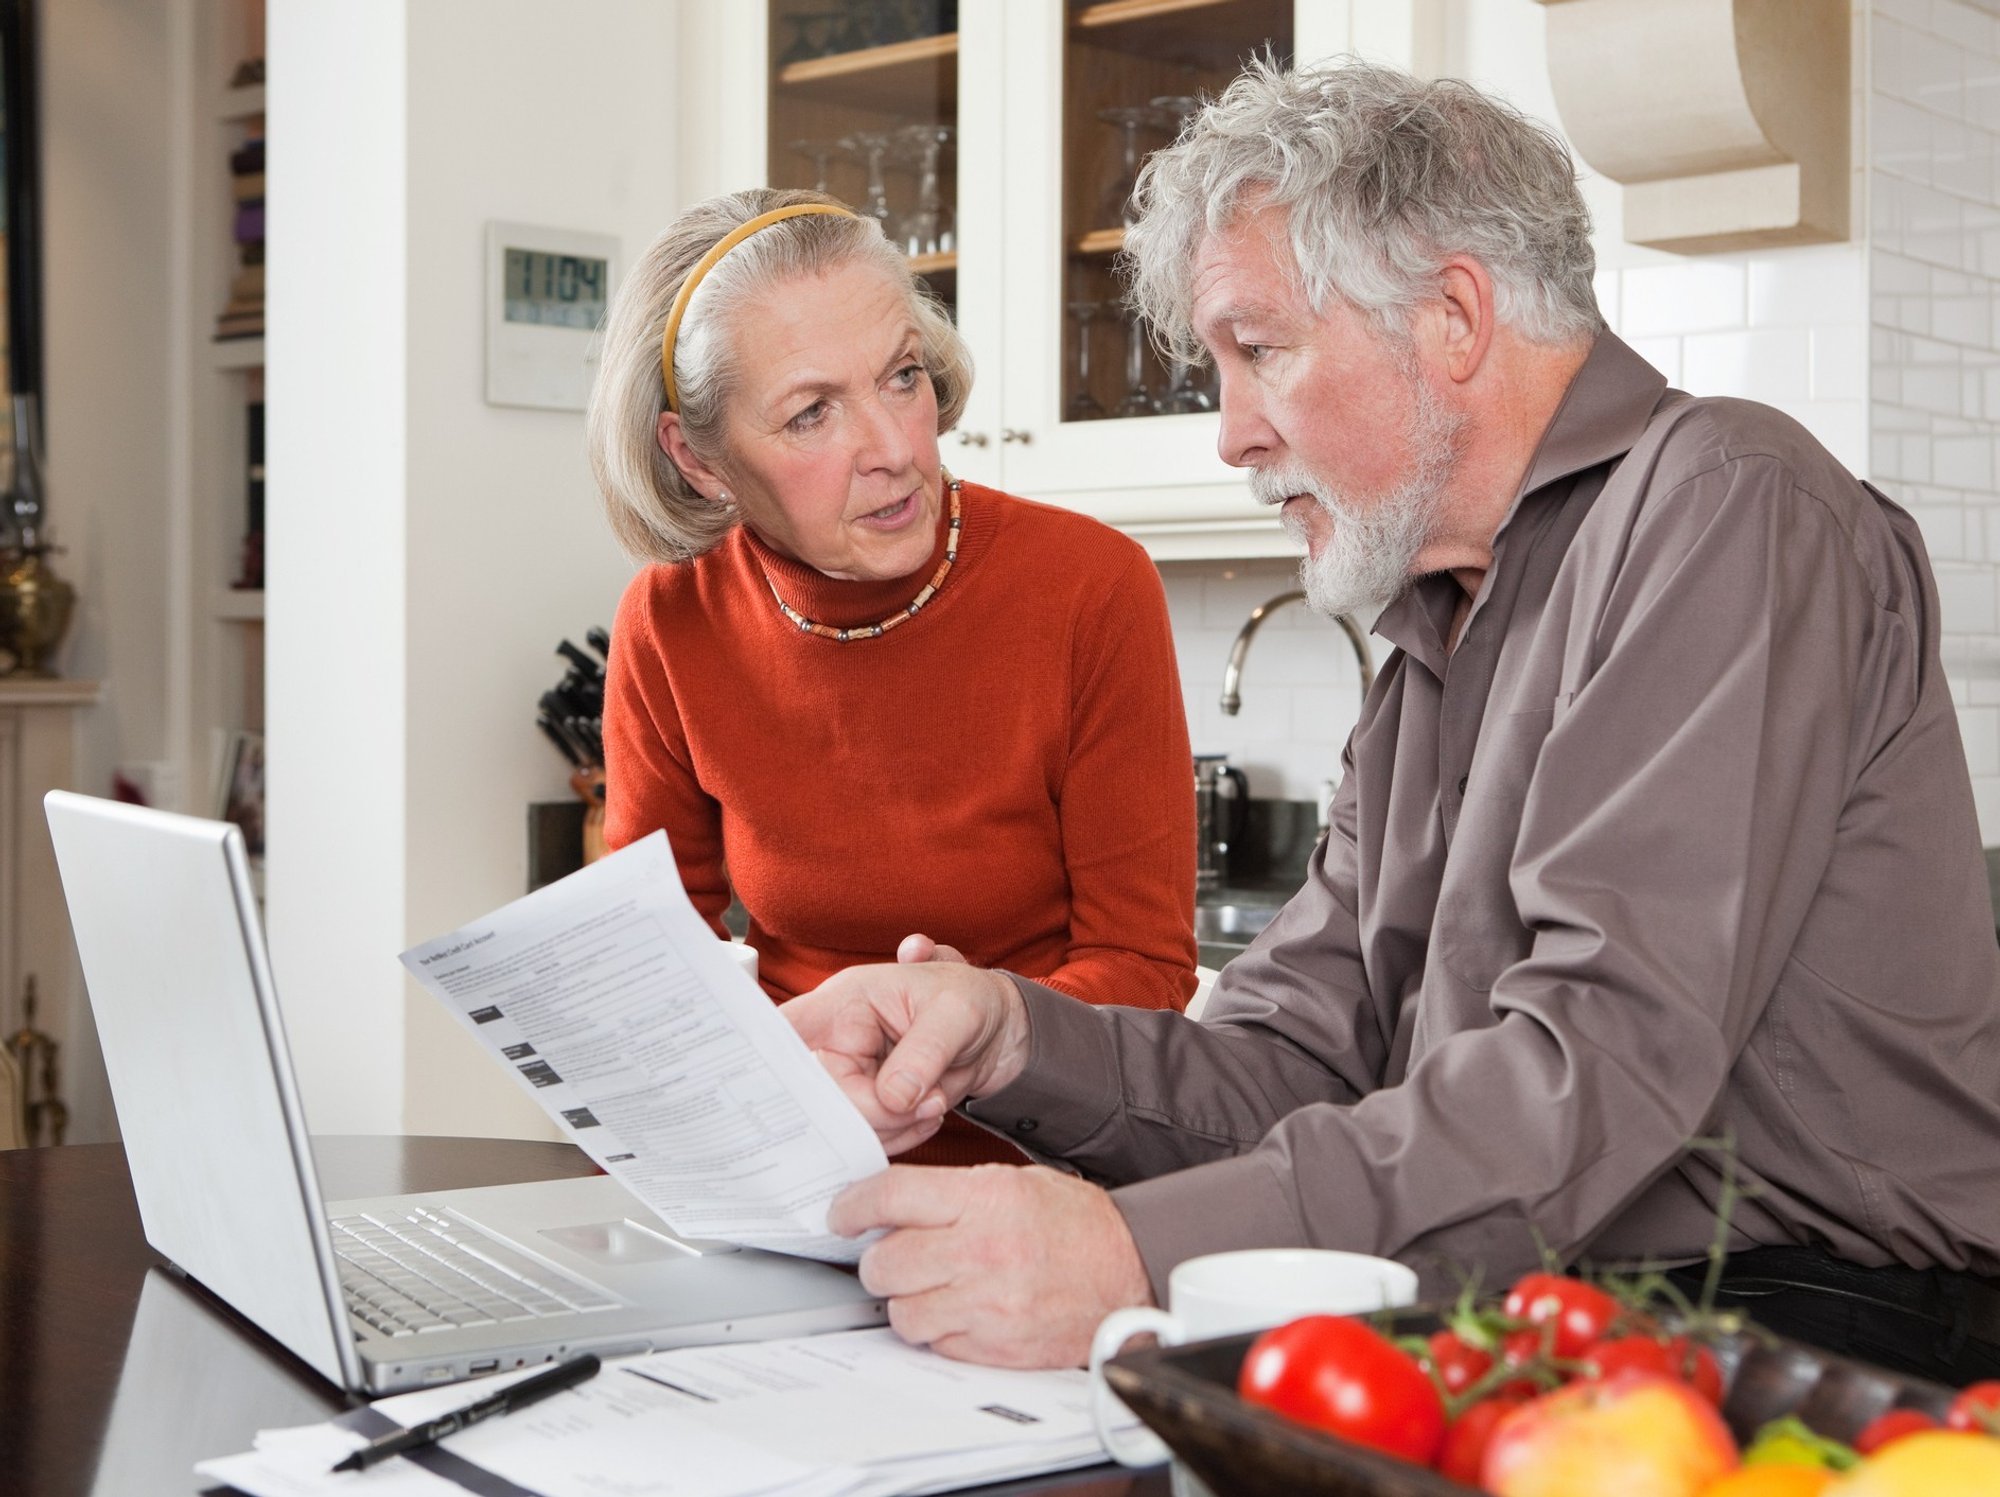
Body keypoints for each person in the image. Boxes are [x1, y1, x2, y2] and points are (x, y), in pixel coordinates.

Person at [782, 59, 2000, 1380]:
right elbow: (1297, 1061)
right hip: (1560, 1307)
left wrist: (1130, 1256)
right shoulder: (1433, 621)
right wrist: (1013, 1039)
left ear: (1453, 320)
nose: (1232, 434)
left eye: (1261, 351)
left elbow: (1596, 1066)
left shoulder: (1731, 508)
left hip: (1831, 1332)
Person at [587, 189, 1198, 1167]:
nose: (893, 450)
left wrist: (974, 1028)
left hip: (1051, 1166)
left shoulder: (1089, 588)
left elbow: (1147, 968)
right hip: (792, 1159)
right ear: (697, 459)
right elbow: (658, 970)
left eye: (901, 378)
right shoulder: (671, 622)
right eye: (811, 413)